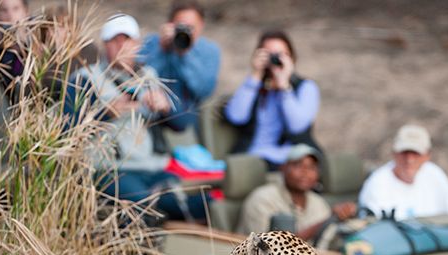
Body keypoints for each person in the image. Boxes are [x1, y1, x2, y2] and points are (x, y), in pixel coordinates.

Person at [63, 14, 208, 221]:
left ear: (138, 44)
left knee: (202, 203)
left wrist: (166, 106)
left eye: (127, 40)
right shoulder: (85, 78)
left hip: (153, 168)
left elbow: (183, 123)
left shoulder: (149, 76)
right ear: (105, 45)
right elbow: (68, 130)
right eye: (115, 40)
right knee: (142, 206)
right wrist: (106, 112)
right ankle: (148, 251)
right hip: (112, 170)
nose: (122, 46)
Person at [224, 29, 321, 169]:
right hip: (253, 158)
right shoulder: (254, 86)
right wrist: (255, 75)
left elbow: (298, 126)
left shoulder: (306, 87)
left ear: (292, 58)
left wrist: (284, 86)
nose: (275, 59)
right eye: (269, 54)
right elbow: (236, 116)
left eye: (281, 55)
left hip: (289, 159)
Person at [237, 144, 356, 241]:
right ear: (283, 168)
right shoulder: (262, 199)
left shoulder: (318, 202)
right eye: (298, 165)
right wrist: (324, 222)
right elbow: (273, 251)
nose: (305, 172)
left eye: (311, 167)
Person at [138, 0, 220, 139]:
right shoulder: (153, 42)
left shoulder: (210, 51)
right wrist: (162, 49)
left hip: (186, 123)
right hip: (149, 116)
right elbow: (138, 78)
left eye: (191, 27)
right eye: (181, 26)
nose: (185, 31)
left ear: (201, 26)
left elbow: (204, 91)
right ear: (170, 24)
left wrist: (184, 55)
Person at [358, 124, 448, 223]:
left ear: (427, 155)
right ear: (394, 153)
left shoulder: (434, 174)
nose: (410, 160)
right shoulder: (378, 183)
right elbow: (375, 227)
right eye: (405, 153)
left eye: (415, 153)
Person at [0, 0, 30, 100]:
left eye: (16, 9)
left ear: (26, 12)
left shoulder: (37, 42)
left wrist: (21, 45)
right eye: (4, 10)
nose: (10, 15)